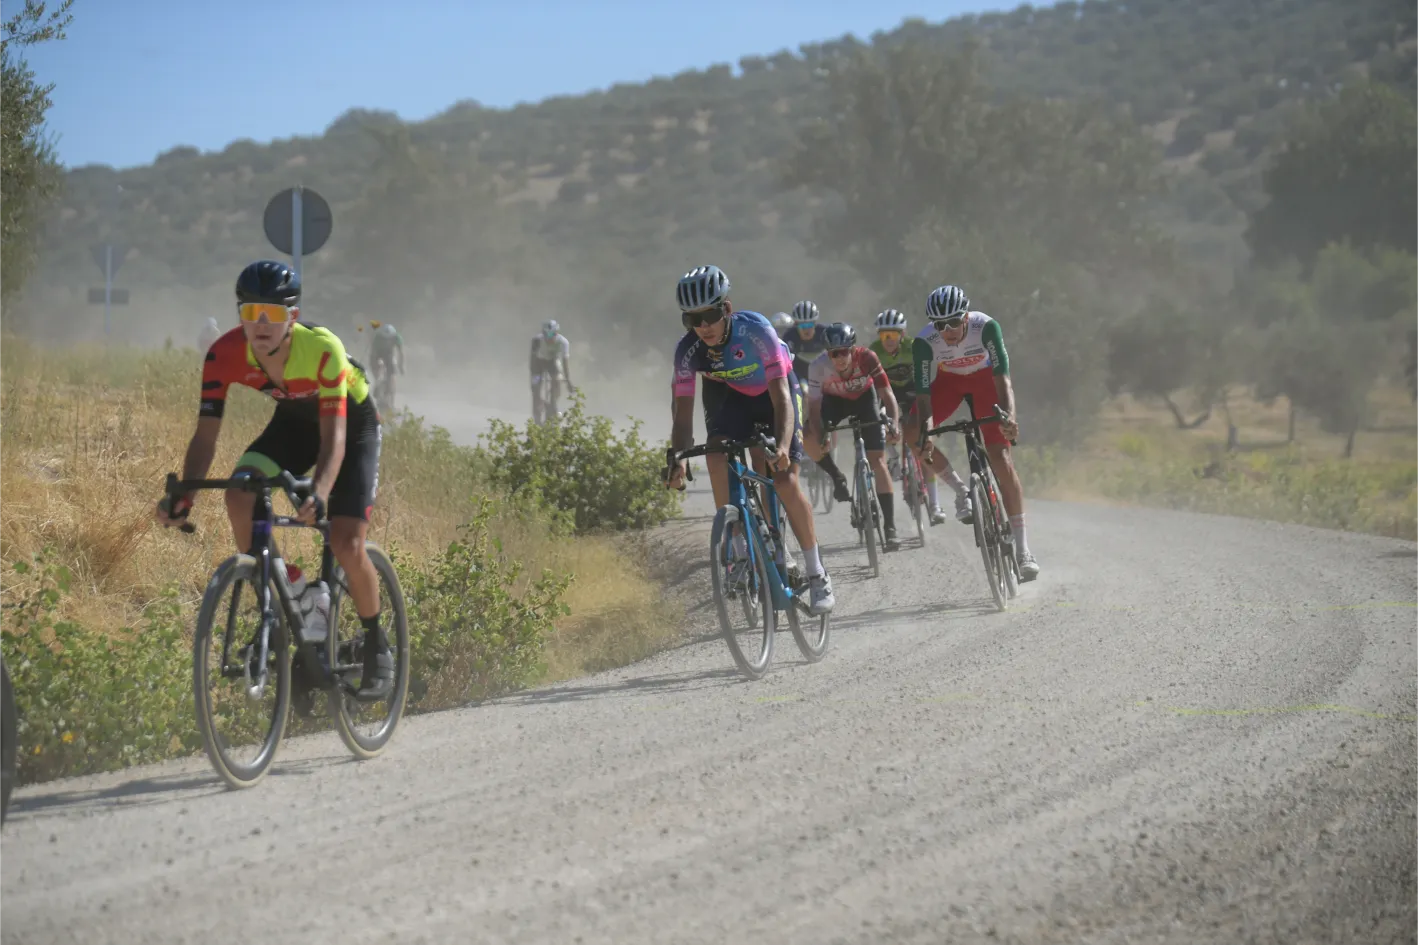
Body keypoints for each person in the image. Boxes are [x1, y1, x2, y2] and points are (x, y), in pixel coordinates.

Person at [155, 260, 393, 706]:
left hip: (351, 424)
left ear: (293, 316)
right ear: (239, 314)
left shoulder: (322, 349)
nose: (261, 324)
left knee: (346, 542)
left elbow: (335, 440)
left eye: (273, 313)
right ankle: (292, 596)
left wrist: (319, 493)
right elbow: (205, 437)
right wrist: (185, 495)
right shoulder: (223, 354)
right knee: (239, 494)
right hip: (293, 423)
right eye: (251, 313)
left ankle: (377, 643)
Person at [665, 265, 835, 615]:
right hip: (730, 397)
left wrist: (783, 447)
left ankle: (817, 572)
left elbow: (782, 400)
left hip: (775, 395)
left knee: (783, 479)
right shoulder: (688, 350)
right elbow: (682, 415)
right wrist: (678, 458)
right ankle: (738, 548)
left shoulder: (756, 330)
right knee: (715, 454)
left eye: (710, 315)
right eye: (692, 319)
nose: (703, 326)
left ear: (726, 308)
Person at [912, 284, 1039, 581]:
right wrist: (926, 435)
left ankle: (1023, 549)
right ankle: (961, 491)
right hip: (949, 383)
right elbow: (923, 398)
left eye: (954, 322)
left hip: (985, 383)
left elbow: (1003, 380)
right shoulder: (924, 341)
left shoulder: (986, 327)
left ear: (966, 316)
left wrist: (1008, 418)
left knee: (1000, 458)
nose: (948, 330)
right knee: (912, 433)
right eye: (940, 325)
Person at [804, 322, 903, 552]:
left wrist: (893, 423)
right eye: (833, 354)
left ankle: (890, 527)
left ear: (852, 349)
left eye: (843, 352)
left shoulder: (867, 358)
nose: (839, 358)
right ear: (827, 353)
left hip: (864, 401)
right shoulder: (817, 367)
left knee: (878, 462)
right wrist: (821, 436)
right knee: (807, 436)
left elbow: (887, 394)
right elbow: (814, 408)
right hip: (833, 403)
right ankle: (836, 476)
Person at [870, 309, 955, 526]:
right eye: (884, 335)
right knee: (880, 423)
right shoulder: (874, 352)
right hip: (888, 394)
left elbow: (926, 374)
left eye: (893, 335)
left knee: (921, 447)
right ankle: (893, 457)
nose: (889, 340)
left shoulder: (913, 347)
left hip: (912, 392)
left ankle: (935, 504)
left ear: (903, 334)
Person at [530, 319, 574, 423]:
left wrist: (568, 381)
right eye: (545, 334)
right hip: (538, 362)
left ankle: (552, 404)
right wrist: (534, 379)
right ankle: (537, 418)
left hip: (552, 362)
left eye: (551, 335)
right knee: (536, 390)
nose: (548, 338)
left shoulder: (563, 342)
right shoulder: (536, 340)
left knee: (557, 380)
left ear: (556, 333)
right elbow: (532, 360)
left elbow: (565, 362)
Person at [784, 300, 830, 385]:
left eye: (810, 325)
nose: (806, 329)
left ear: (815, 323)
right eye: (802, 325)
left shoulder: (825, 334)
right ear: (796, 325)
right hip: (799, 375)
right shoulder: (789, 337)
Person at [367, 320, 405, 411]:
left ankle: (392, 402)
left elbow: (401, 353)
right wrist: (377, 371)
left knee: (392, 377)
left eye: (389, 339)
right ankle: (378, 386)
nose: (387, 341)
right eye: (384, 339)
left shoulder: (397, 337)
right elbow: (373, 355)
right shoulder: (377, 337)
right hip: (378, 354)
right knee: (378, 371)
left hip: (389, 355)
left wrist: (401, 366)